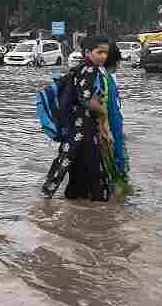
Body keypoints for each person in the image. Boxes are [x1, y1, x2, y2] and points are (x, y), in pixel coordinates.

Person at [41, 35, 114, 201]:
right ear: (88, 52)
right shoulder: (90, 69)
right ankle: (98, 202)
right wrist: (103, 112)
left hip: (77, 126)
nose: (103, 56)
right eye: (99, 52)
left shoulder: (82, 68)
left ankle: (61, 199)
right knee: (85, 165)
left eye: (105, 53)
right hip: (82, 127)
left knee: (74, 164)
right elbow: (86, 99)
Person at [100, 42, 130, 194]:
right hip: (110, 132)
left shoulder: (103, 78)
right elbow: (110, 112)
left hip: (108, 131)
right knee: (116, 175)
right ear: (117, 61)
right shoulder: (107, 81)